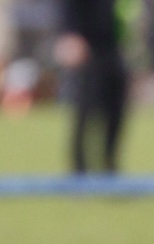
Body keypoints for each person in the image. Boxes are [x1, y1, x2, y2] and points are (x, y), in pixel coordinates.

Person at [55, 0, 133, 175]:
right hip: (87, 47)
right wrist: (70, 34)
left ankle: (109, 163)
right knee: (85, 108)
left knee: (117, 109)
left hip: (112, 46)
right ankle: (79, 168)